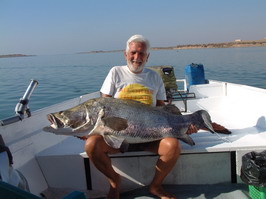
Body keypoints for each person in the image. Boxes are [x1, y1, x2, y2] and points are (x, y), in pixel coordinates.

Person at [85, 34, 228, 199]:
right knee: (91, 144)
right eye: (133, 52)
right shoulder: (115, 72)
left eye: (141, 53)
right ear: (125, 54)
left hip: (150, 136)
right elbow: (104, 108)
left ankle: (156, 186)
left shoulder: (154, 77)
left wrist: (183, 127)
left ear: (147, 56)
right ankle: (114, 182)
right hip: (118, 138)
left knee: (172, 146)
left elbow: (162, 110)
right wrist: (92, 129)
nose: (137, 57)